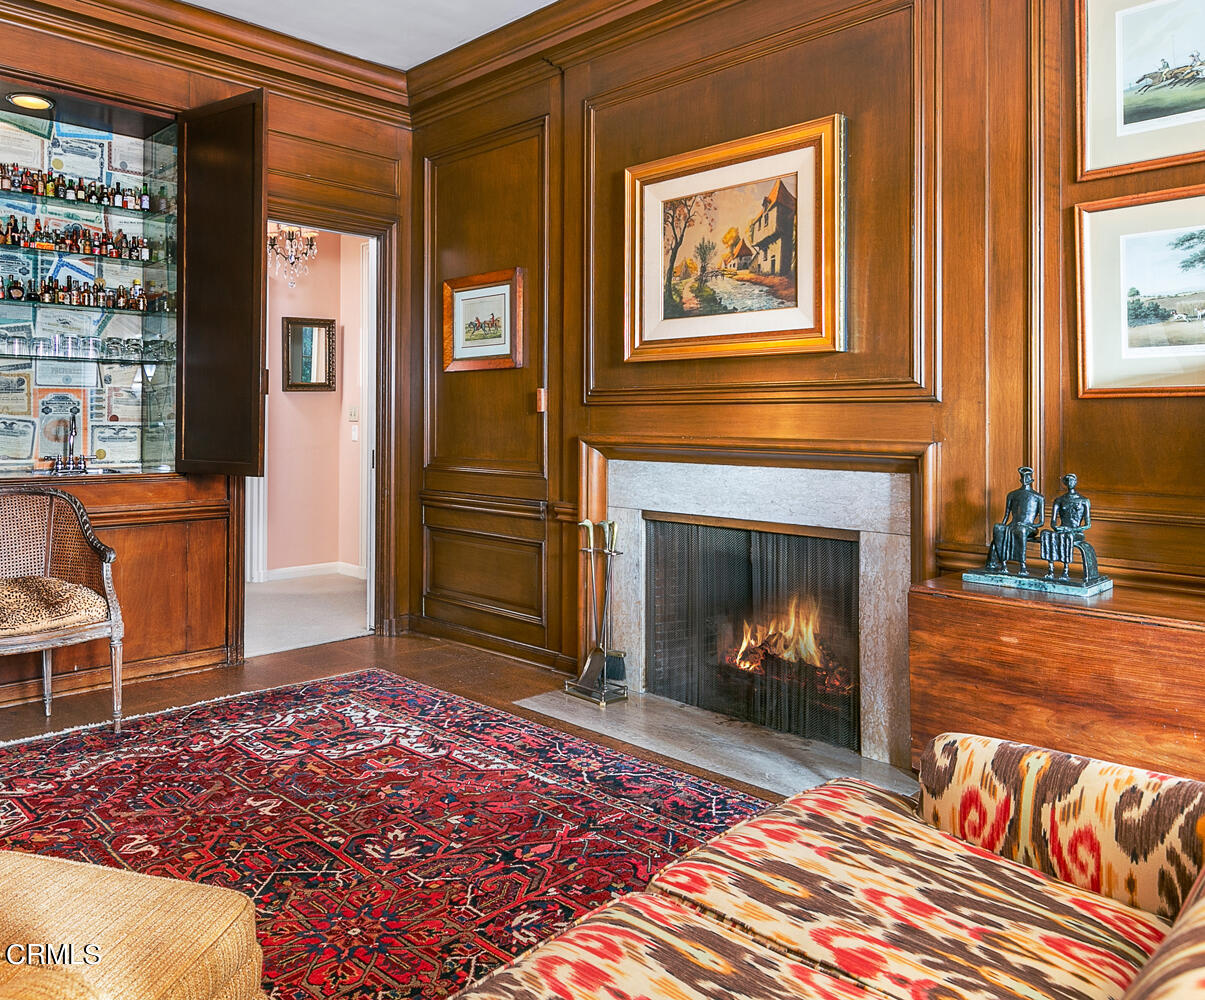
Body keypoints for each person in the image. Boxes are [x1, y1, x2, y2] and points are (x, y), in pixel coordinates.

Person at [989, 467, 1044, 574]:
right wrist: (1003, 526)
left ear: (1031, 480)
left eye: (1027, 478)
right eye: (1023, 478)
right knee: (998, 528)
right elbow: (1006, 515)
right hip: (1013, 525)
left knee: (1021, 530)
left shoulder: (1038, 497)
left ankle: (1022, 565)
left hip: (1029, 527)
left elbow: (1041, 522)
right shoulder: (1012, 495)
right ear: (1020, 479)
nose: (1025, 480)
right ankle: (1001, 563)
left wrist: (1028, 525)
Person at [1041, 473, 1092, 580]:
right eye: (1067, 481)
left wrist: (1072, 529)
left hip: (1076, 532)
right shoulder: (1059, 500)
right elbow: (1053, 522)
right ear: (1065, 483)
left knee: (1067, 537)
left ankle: (1065, 570)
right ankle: (1050, 569)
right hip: (1062, 529)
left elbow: (1088, 524)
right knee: (1046, 534)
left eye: (1072, 480)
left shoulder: (1084, 501)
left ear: (1076, 482)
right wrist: (1056, 527)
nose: (1070, 483)